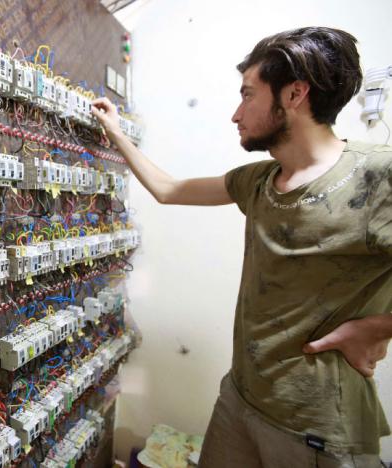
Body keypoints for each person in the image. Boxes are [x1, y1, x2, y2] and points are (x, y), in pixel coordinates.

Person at [92, 27, 392, 467]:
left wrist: (376, 328)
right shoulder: (258, 181)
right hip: (240, 400)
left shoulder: (375, 176)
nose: (236, 113)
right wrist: (116, 133)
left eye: (248, 95)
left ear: (294, 95)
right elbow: (169, 188)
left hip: (316, 425)